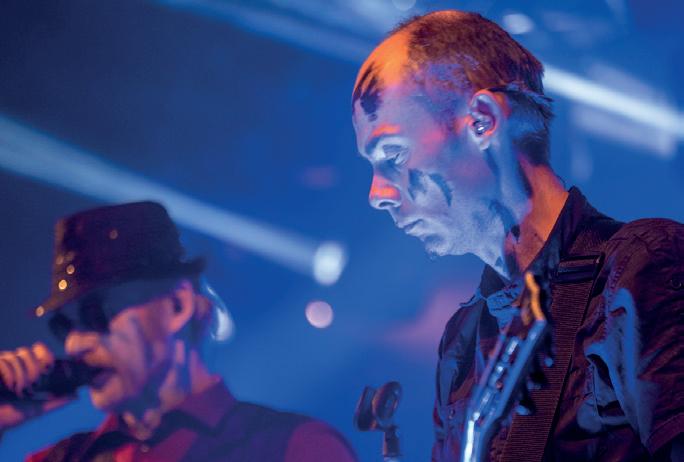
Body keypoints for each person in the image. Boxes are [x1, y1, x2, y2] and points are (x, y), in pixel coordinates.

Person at [351, 10, 683, 462]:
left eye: (392, 154)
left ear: (483, 120)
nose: (377, 194)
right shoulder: (463, 338)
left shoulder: (641, 268)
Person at [0, 201, 358, 461]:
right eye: (64, 325)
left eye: (96, 314)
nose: (75, 344)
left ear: (177, 306)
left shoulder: (295, 449)